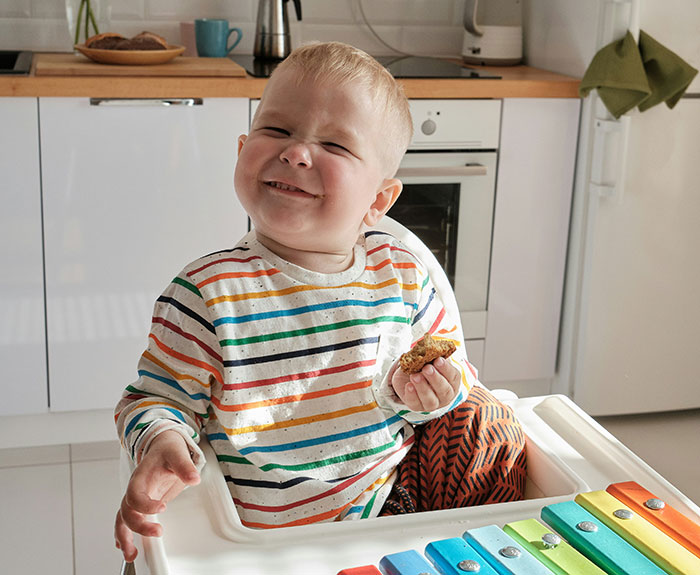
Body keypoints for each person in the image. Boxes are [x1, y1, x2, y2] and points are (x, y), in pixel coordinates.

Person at [114, 41, 526, 562]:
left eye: (334, 145)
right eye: (277, 130)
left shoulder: (403, 275)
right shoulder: (208, 293)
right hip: (268, 544)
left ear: (378, 200)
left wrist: (433, 391)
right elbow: (155, 399)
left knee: (489, 419)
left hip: (389, 514)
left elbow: (453, 377)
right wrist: (161, 443)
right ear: (243, 149)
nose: (296, 151)